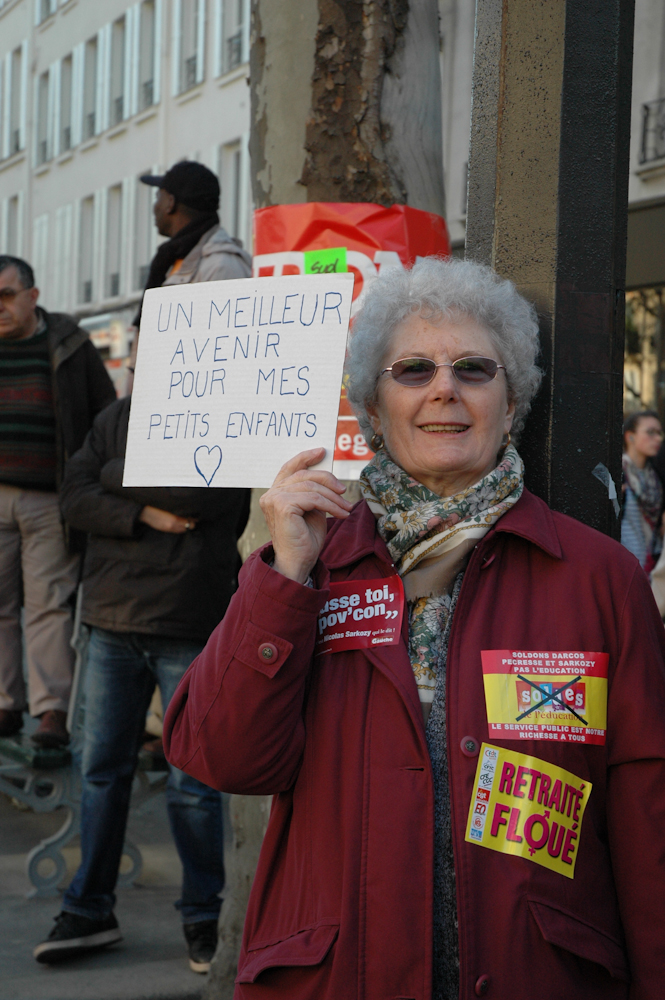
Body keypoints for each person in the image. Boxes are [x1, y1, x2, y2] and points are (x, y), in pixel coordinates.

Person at [163, 258, 665, 1000]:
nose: (444, 389)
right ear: (371, 400)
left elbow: (646, 815)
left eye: (472, 368)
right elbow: (221, 759)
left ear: (511, 395)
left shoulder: (599, 577)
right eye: (412, 370)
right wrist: (284, 581)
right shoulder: (308, 563)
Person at [32, 390, 251, 972]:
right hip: (109, 618)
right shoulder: (118, 415)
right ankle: (88, 908)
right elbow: (73, 495)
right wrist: (142, 513)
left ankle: (203, 917)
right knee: (100, 772)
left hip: (190, 620)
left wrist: (112, 475)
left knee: (194, 786)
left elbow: (200, 494)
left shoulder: (230, 415)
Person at [0, 255, 115, 747]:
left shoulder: (70, 344)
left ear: (33, 295)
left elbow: (104, 415)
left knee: (48, 605)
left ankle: (51, 711)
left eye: (6, 294)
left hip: (51, 498)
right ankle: (5, 704)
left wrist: (92, 483)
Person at [133, 159, 252, 328]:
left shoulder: (222, 266)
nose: (155, 206)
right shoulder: (171, 260)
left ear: (170, 203)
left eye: (158, 196)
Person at [620, 410, 664, 571]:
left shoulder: (655, 476)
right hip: (625, 564)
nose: (658, 438)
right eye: (650, 432)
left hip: (652, 564)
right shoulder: (618, 474)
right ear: (630, 436)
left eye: (659, 433)